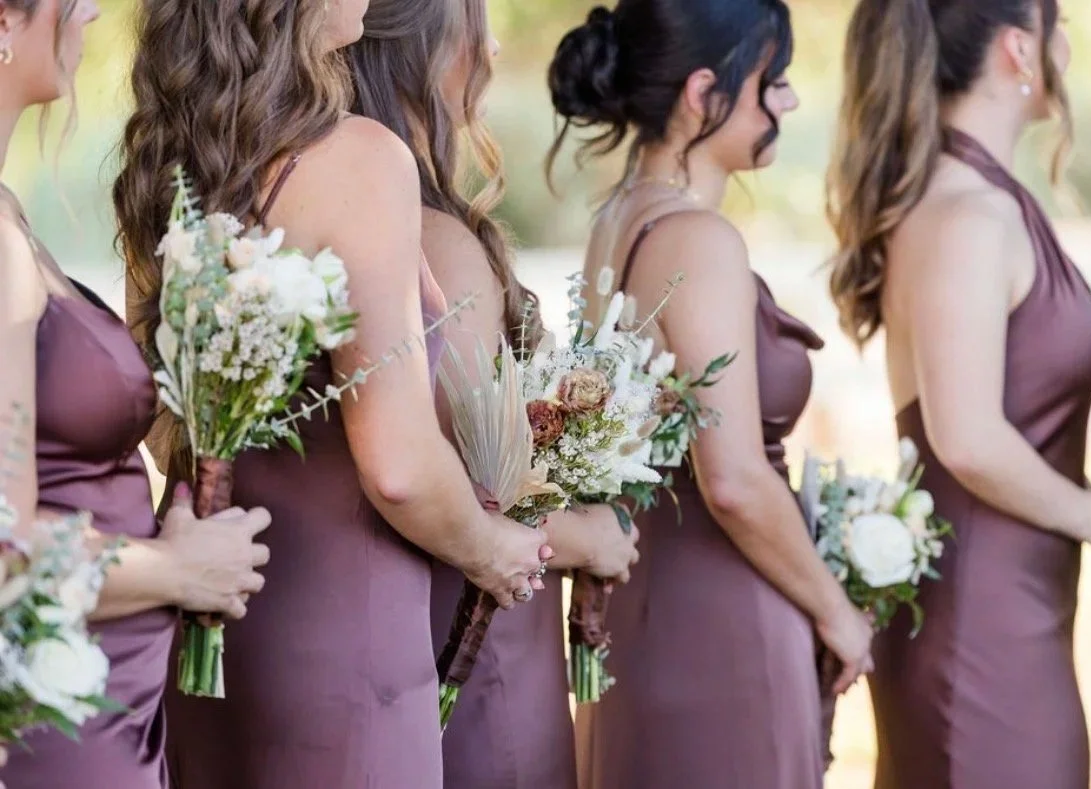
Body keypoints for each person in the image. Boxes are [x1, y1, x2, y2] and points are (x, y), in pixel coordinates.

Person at [111, 0, 548, 786]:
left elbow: (162, 422)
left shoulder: (181, 161)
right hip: (347, 645)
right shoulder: (359, 159)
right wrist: (492, 550)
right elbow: (399, 465)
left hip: (212, 625)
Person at [826, 2, 1091, 787]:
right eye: (1060, 21)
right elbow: (967, 434)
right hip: (979, 630)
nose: (1068, 44)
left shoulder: (982, 199)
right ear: (1019, 48)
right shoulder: (967, 215)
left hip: (1015, 611)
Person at [547, 2, 874, 787]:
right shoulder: (698, 239)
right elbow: (731, 477)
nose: (789, 99)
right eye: (773, 78)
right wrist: (836, 609)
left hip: (642, 607)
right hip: (722, 620)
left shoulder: (618, 219)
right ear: (703, 93)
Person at [345, 1, 640, 786]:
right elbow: (483, 490)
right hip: (483, 640)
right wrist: (595, 537)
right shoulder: (437, 242)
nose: (496, 47)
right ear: (419, 49)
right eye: (474, 23)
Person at [0, 0, 272, 785]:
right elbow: (7, 545)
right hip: (54, 731)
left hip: (107, 708)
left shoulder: (10, 213)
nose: (90, 11)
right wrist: (177, 567)